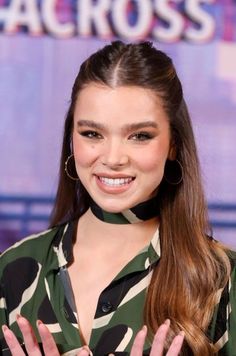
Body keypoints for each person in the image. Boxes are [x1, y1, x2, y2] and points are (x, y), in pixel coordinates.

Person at [0, 41, 235, 356]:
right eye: (92, 134)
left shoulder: (221, 280)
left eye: (140, 136)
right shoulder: (14, 270)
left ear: (173, 145)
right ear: (71, 139)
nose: (113, 158)